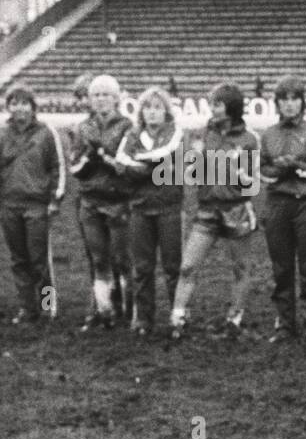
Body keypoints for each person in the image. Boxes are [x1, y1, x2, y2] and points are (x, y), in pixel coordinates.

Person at [169, 83, 261, 339]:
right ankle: (178, 317)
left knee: (241, 268)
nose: (212, 109)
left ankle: (235, 318)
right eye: (212, 103)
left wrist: (240, 174)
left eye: (217, 104)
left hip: (237, 210)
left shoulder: (249, 139)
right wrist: (195, 164)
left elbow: (253, 183)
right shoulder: (200, 135)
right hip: (207, 210)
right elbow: (189, 173)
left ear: (231, 107)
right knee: (188, 266)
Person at [260, 76, 306, 343]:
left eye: (293, 99)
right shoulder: (269, 134)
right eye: (283, 99)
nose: (289, 105)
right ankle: (285, 325)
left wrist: (296, 166)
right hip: (277, 205)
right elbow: (263, 172)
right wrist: (279, 169)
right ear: (277, 103)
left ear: (302, 102)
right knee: (281, 269)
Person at [115, 85, 183, 336]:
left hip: (169, 208)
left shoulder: (175, 132)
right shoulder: (133, 135)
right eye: (148, 107)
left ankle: (177, 317)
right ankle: (143, 319)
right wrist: (149, 168)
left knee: (173, 266)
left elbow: (168, 155)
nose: (152, 112)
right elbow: (121, 163)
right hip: (140, 209)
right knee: (142, 267)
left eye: (158, 107)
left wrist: (140, 162)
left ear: (166, 111)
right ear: (141, 111)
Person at [68, 74, 134, 330]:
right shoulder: (82, 128)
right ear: (89, 99)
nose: (101, 99)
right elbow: (75, 167)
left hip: (119, 201)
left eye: (106, 94)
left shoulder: (128, 127)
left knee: (123, 260)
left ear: (116, 98)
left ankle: (129, 310)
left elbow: (126, 166)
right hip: (90, 201)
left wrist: (103, 157)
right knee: (98, 259)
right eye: (96, 95)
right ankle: (103, 310)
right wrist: (87, 159)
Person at [0, 85, 64, 323]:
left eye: (25, 103)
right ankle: (27, 308)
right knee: (18, 260)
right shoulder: (2, 133)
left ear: (33, 106)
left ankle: (48, 304)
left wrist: (55, 198)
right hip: (9, 205)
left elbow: (58, 166)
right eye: (14, 103)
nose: (20, 108)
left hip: (37, 205)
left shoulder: (46, 133)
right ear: (9, 107)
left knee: (39, 259)